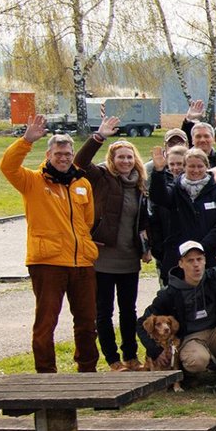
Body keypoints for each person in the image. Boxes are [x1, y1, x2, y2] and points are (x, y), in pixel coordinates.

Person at [1, 115, 100, 373]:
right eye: (58, 154)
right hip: (48, 263)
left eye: (67, 154)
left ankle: (88, 373)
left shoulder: (82, 184)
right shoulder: (33, 181)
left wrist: (85, 246)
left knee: (87, 322)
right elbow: (7, 167)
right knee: (46, 323)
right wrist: (26, 141)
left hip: (82, 263)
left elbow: (87, 221)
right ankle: (46, 375)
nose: (63, 158)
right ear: (48, 154)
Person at [75, 120, 154, 371]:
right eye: (121, 157)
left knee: (128, 310)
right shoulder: (101, 177)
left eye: (129, 157)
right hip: (103, 256)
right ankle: (112, 359)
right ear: (112, 159)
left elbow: (142, 221)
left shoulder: (140, 184)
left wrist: (146, 247)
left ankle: (131, 356)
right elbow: (80, 162)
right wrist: (98, 137)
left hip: (129, 258)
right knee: (104, 311)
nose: (125, 161)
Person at [144, 239, 216, 389]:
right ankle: (187, 373)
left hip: (214, 332)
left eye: (199, 259)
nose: (196, 264)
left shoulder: (213, 277)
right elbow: (142, 322)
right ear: (181, 264)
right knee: (197, 360)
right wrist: (155, 351)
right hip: (190, 339)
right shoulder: (169, 293)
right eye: (190, 261)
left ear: (205, 261)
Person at [149, 142, 216, 272]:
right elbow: (159, 197)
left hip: (210, 256)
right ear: (184, 167)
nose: (196, 170)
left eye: (200, 166)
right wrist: (158, 173)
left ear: (207, 167)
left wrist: (200, 247)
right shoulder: (175, 190)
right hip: (178, 257)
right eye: (191, 166)